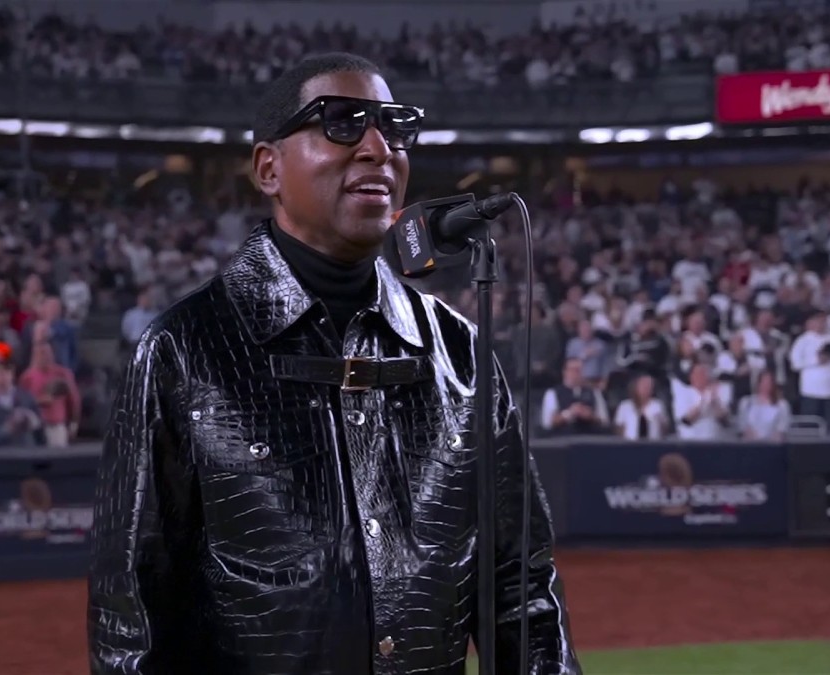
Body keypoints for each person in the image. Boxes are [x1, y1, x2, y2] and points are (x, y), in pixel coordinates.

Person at [88, 53, 578, 675]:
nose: (379, 148)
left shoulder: (460, 352)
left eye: (395, 126)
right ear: (269, 167)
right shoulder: (183, 351)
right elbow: (129, 620)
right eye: (343, 122)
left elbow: (523, 594)